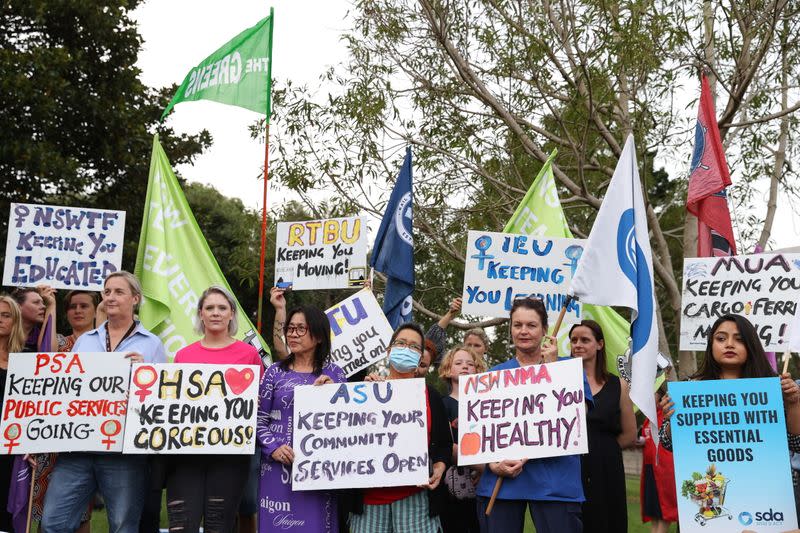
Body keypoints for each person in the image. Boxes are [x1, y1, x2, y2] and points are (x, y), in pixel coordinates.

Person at [41, 271, 167, 533]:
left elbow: (160, 400)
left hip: (124, 454)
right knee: (53, 522)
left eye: (118, 292)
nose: (110, 297)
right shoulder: (85, 341)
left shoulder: (152, 344)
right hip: (77, 450)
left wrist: (146, 374)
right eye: (107, 291)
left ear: (135, 298)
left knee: (123, 526)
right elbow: (66, 390)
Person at [475, 297, 593, 533]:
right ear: (510, 329)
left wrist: (552, 370)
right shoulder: (494, 375)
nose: (524, 331)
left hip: (555, 482)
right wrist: (492, 464)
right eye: (517, 325)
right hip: (502, 483)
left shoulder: (568, 368)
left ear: (545, 330)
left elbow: (578, 417)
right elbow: (479, 434)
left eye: (531, 325)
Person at [162, 285, 262, 530]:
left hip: (230, 456)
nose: (215, 313)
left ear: (231, 315)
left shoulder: (249, 354)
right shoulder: (183, 356)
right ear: (200, 314)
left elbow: (261, 398)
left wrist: (255, 401)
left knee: (220, 524)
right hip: (186, 456)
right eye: (209, 308)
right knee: (182, 525)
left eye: (222, 308)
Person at [342, 322, 452, 533]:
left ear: (421, 357)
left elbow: (444, 445)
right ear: (389, 350)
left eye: (413, 346)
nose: (405, 348)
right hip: (367, 503)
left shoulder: (431, 396)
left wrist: (439, 467)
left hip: (416, 501)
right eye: (401, 343)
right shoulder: (365, 392)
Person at [257, 304, 346, 532]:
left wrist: (329, 395)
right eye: (290, 328)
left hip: (318, 473)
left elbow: (346, 423)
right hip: (276, 470)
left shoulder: (335, 373)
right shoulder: (274, 372)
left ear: (317, 336)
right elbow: (259, 419)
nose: (292, 334)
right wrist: (273, 448)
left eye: (300, 329)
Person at [659, 314, 800, 449]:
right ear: (711, 345)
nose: (729, 344)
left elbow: (796, 444)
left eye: (739, 339)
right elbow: (668, 443)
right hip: (711, 473)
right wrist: (674, 418)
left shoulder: (775, 388)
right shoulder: (690, 388)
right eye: (721, 339)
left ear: (751, 345)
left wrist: (793, 403)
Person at [34, 290, 98, 531]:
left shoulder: (104, 344)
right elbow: (46, 355)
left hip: (85, 438)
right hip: (52, 437)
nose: (78, 311)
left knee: (82, 511)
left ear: (95, 310)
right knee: (48, 511)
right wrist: (50, 304)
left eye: (85, 306)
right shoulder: (60, 342)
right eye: (72, 306)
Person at [569, 320, 636, 533]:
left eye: (585, 340)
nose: (578, 344)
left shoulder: (619, 385)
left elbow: (630, 433)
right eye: (574, 340)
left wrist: (603, 449)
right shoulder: (560, 380)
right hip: (570, 467)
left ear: (599, 344)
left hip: (606, 469)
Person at [438, 344, 486, 533]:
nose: (465, 366)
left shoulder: (489, 404)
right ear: (448, 371)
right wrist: (483, 466)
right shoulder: (442, 404)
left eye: (470, 364)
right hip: (452, 488)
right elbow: (446, 446)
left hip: (483, 487)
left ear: (478, 370)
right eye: (458, 363)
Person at [0, 295, 26, 531]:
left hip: (10, 449)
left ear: (15, 321)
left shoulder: (24, 362)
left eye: (5, 315)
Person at [640, 386, 677, 533]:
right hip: (650, 469)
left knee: (664, 512)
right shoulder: (650, 417)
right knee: (654, 513)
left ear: (661, 396)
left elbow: (667, 441)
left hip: (664, 471)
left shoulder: (666, 414)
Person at [11, 286, 57, 351]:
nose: (43, 306)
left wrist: (51, 306)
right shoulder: (4, 333)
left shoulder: (39, 336)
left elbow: (48, 354)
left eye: (43, 303)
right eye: (36, 302)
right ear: (18, 307)